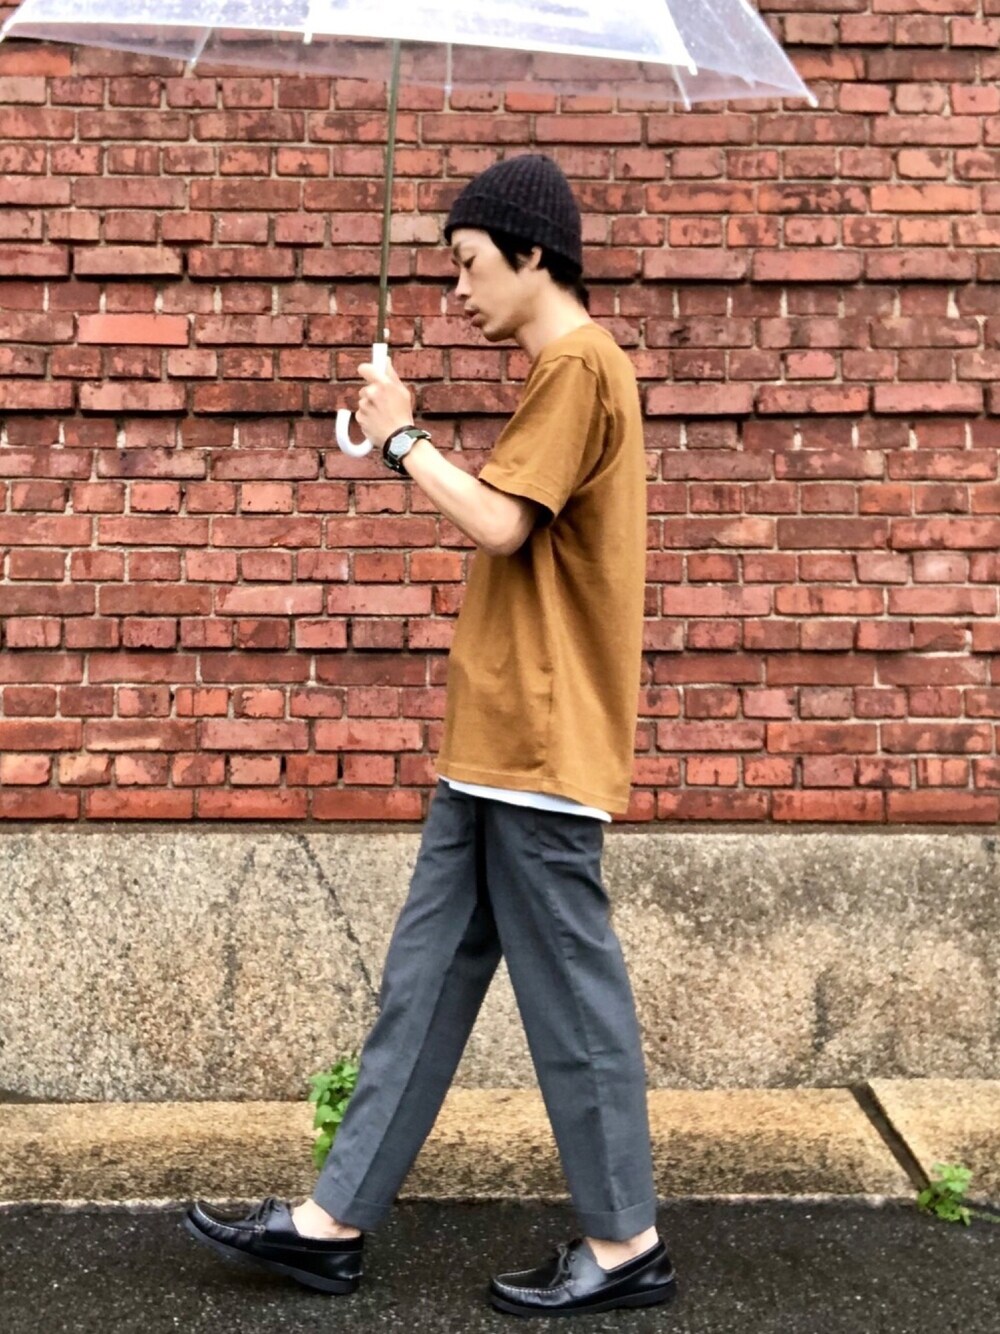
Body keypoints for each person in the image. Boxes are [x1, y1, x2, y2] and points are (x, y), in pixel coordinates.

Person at [184, 153, 677, 1318]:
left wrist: (403, 438)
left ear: (532, 254)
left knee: (572, 1002)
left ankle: (625, 1241)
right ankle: (331, 1222)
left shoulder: (578, 364)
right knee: (422, 984)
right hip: (493, 743)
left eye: (467, 263)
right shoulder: (560, 369)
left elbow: (502, 523)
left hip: (541, 747)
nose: (456, 289)